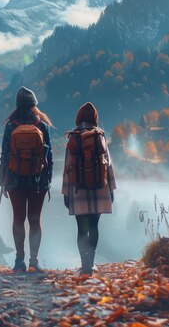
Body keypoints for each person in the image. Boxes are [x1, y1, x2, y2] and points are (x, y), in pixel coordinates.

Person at [0, 86, 53, 272]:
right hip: (39, 180)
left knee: (18, 218)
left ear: (17, 105)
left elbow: (4, 155)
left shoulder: (11, 125)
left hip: (14, 179)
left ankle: (19, 261)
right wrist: (48, 180)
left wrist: (2, 182)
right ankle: (34, 262)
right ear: (34, 105)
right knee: (35, 220)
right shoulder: (42, 125)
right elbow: (49, 156)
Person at [62, 102, 116, 275]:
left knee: (81, 228)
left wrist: (66, 193)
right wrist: (112, 189)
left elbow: (67, 167)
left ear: (78, 118)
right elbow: (108, 165)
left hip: (78, 190)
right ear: (95, 119)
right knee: (94, 226)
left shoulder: (73, 137)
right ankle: (91, 264)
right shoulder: (100, 136)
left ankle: (84, 265)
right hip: (100, 188)